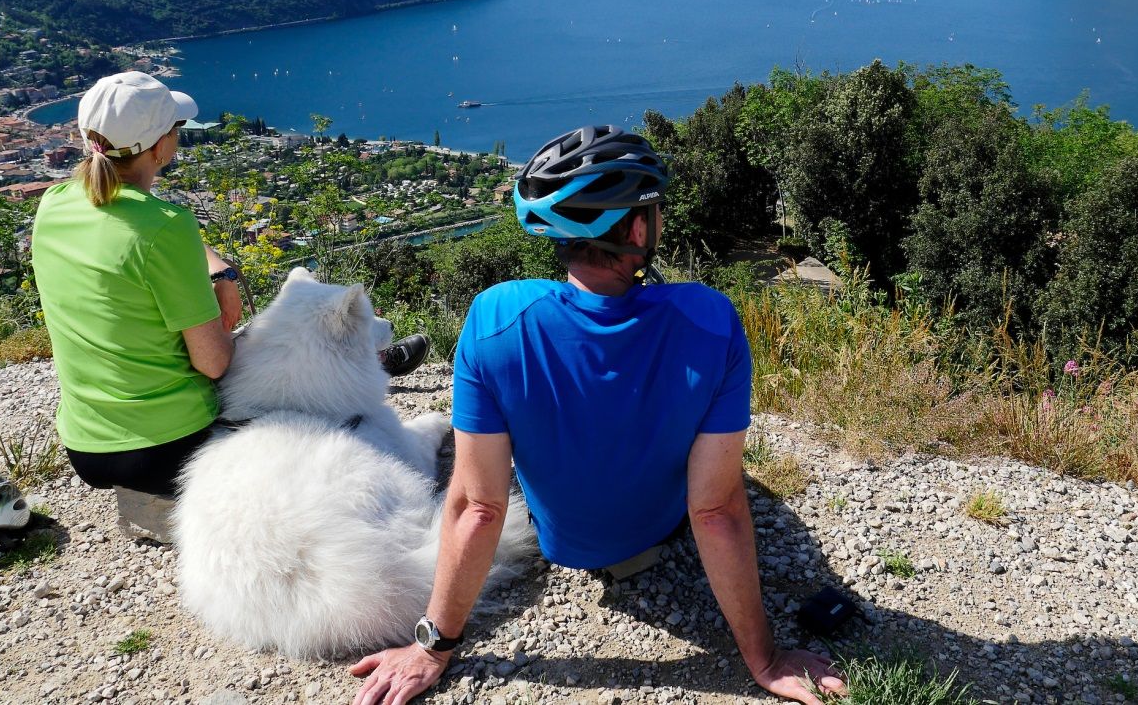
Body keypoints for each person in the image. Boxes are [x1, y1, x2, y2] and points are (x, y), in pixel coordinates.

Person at [351, 125, 847, 705]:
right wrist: (764, 658)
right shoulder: (711, 321)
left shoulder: (494, 319)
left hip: (567, 545)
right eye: (654, 210)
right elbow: (713, 510)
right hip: (662, 529)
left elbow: (479, 507)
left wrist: (432, 647)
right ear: (638, 229)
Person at [31, 71, 429, 499]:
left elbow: (139, 240)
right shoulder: (166, 230)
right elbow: (213, 363)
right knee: (273, 365)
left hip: (87, 448)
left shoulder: (55, 204)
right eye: (176, 129)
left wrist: (219, 268)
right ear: (162, 146)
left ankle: (371, 357)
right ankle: (366, 360)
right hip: (168, 450)